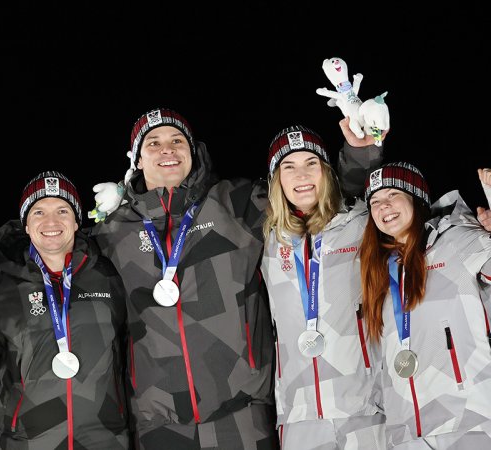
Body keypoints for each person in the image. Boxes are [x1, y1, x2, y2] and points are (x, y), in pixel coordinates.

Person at [85, 108, 385, 449]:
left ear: (192, 150)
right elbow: (49, 251)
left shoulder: (236, 203)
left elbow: (314, 196)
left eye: (176, 140)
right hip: (158, 422)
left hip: (241, 413)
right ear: (137, 159)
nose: (166, 149)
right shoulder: (113, 232)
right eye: (152, 143)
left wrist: (361, 154)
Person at [0, 171, 130, 449]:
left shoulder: (109, 274)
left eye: (62, 210)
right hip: (27, 442)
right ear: (26, 225)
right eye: (39, 211)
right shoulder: (1, 288)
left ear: (77, 221)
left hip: (105, 440)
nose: (51, 221)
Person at [261, 125, 386, 449]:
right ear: (277, 181)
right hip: (298, 415)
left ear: (327, 172)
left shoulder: (360, 222)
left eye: (311, 163)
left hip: (364, 408)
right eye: (288, 166)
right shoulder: (265, 240)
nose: (301, 175)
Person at [361, 162, 491, 448]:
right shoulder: (380, 271)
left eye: (393, 194)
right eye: (375, 201)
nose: (384, 206)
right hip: (405, 432)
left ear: (417, 198)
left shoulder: (458, 240)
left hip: (469, 423)